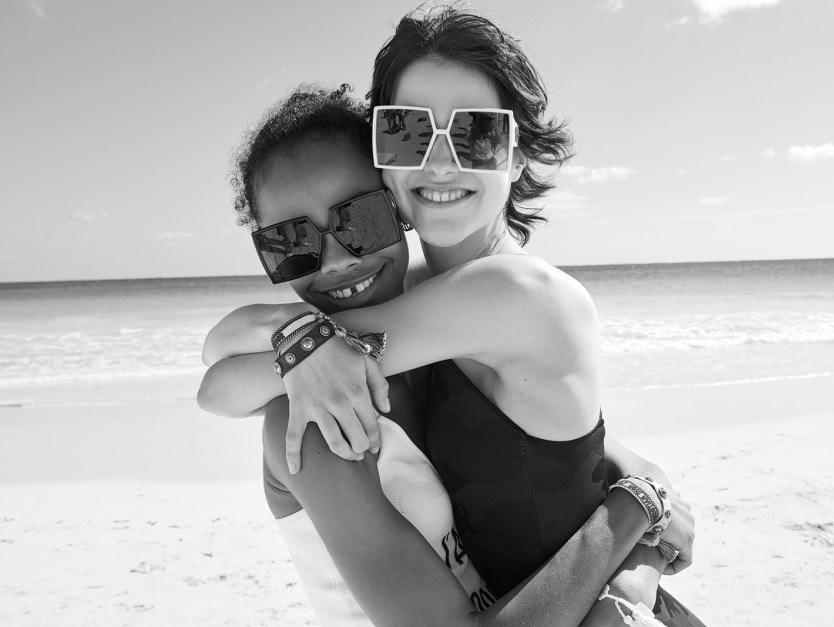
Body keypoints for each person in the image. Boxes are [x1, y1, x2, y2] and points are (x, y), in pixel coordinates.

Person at [200, 6, 704, 626]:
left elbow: (221, 385)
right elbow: (220, 380)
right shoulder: (416, 298)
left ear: (518, 156)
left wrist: (639, 513)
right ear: (385, 162)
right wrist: (641, 492)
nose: (440, 162)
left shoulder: (511, 290)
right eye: (409, 132)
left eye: (478, 135)